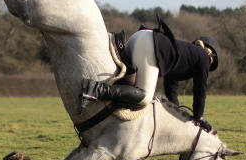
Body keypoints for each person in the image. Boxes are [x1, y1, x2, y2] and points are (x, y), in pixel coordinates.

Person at [81, 16, 220, 130]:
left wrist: (177, 112)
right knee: (144, 96)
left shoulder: (186, 54)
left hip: (138, 37)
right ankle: (95, 89)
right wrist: (199, 117)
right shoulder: (203, 57)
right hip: (149, 45)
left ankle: (100, 93)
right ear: (211, 54)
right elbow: (200, 90)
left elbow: (172, 88)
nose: (209, 66)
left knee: (130, 85)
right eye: (212, 62)